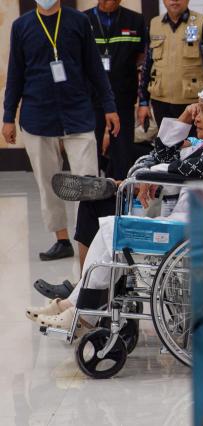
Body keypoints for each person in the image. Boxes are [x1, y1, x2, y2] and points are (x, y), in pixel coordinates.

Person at [26, 83, 203, 331]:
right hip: (190, 224)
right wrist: (182, 120)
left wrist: (151, 175)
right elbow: (164, 153)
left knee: (112, 229)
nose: (196, 116)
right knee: (111, 229)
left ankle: (80, 312)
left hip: (190, 229)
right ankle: (75, 308)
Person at [2, 0, 120, 261]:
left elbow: (94, 67)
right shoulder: (21, 26)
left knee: (88, 183)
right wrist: (8, 116)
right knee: (47, 182)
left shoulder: (78, 21)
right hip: (37, 117)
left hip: (78, 113)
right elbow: (15, 74)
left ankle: (87, 241)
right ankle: (62, 239)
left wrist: (109, 106)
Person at [137, 0, 203, 130]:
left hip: (194, 104)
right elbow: (146, 66)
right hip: (160, 102)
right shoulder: (154, 24)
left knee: (193, 141)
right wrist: (143, 102)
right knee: (166, 141)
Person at [85, 0, 146, 180]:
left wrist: (143, 101)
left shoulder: (135, 20)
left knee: (122, 153)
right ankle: (92, 193)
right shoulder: (83, 20)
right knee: (90, 152)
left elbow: (142, 58)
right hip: (91, 98)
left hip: (123, 97)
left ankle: (121, 191)